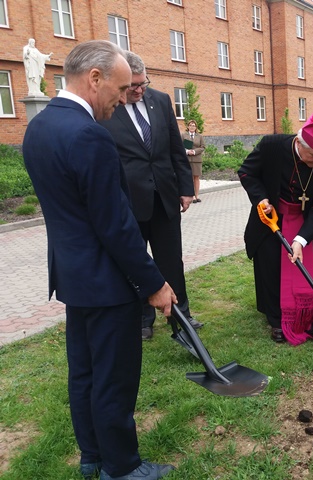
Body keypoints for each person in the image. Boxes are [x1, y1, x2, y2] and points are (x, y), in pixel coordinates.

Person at [22, 40, 177, 480]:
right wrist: (154, 283)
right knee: (114, 378)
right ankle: (122, 467)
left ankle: (92, 455)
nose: (125, 98)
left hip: (73, 278)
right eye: (122, 88)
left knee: (85, 373)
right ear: (95, 78)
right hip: (109, 283)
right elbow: (116, 225)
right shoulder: (90, 135)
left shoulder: (40, 126)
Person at [100, 52, 202, 340]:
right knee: (135, 261)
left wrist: (185, 188)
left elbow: (175, 148)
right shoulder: (109, 106)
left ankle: (181, 314)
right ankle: (143, 319)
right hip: (129, 200)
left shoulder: (161, 100)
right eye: (132, 86)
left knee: (172, 260)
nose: (138, 90)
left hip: (164, 197)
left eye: (143, 84)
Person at [238, 109, 313, 345]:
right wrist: (261, 198)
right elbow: (246, 173)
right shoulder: (271, 146)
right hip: (271, 219)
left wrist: (301, 239)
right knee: (271, 263)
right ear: (299, 143)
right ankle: (277, 320)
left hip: (307, 222)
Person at [181, 120, 205, 202]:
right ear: (188, 127)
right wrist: (187, 151)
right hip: (187, 159)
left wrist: (194, 151)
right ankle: (192, 196)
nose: (192, 127)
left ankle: (197, 196)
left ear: (196, 127)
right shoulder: (183, 135)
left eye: (193, 125)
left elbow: (203, 147)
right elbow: (180, 146)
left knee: (196, 177)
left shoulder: (200, 136)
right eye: (190, 125)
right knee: (190, 178)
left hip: (197, 159)